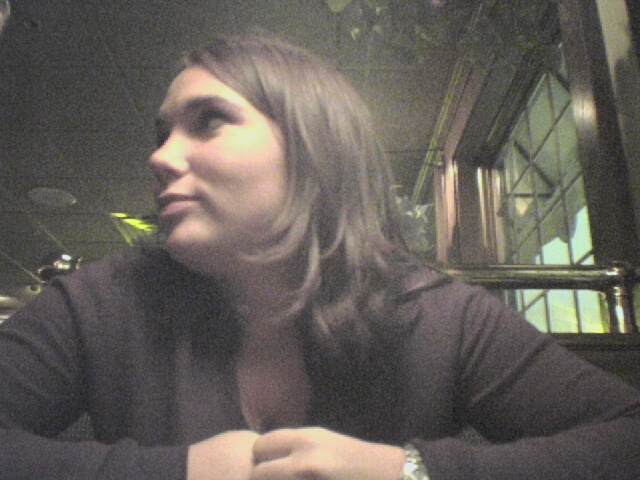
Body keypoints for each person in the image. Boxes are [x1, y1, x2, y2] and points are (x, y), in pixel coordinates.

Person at [1, 34, 639, 480]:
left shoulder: (438, 315)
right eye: (162, 132)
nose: (160, 156)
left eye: (209, 121)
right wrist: (178, 472)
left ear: (314, 148)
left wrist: (409, 471)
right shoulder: (103, 302)